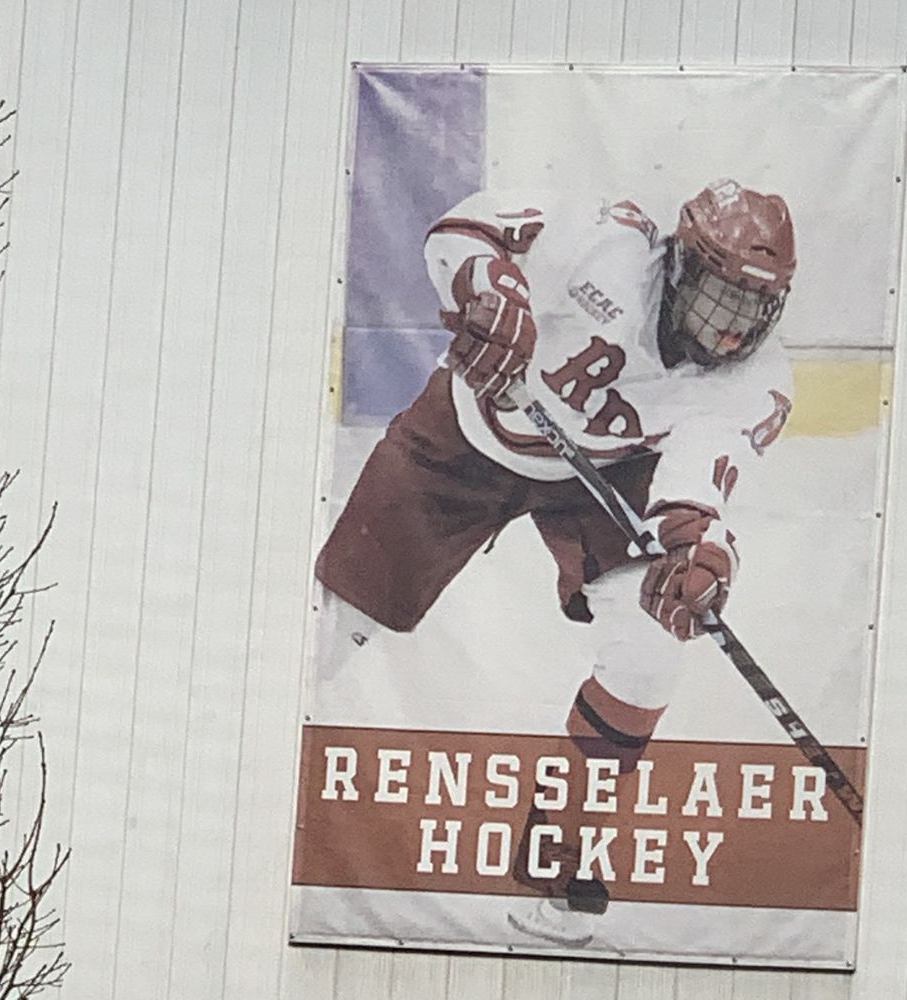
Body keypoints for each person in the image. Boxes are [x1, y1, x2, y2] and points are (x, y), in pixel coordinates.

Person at [314, 177, 796, 942]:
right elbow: (462, 229)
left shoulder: (755, 381)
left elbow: (701, 474)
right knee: (329, 625)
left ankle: (556, 854)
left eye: (749, 312)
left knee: (651, 650)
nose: (729, 333)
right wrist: (490, 288)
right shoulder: (606, 235)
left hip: (604, 477)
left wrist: (701, 546)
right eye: (716, 301)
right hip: (469, 439)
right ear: (676, 265)